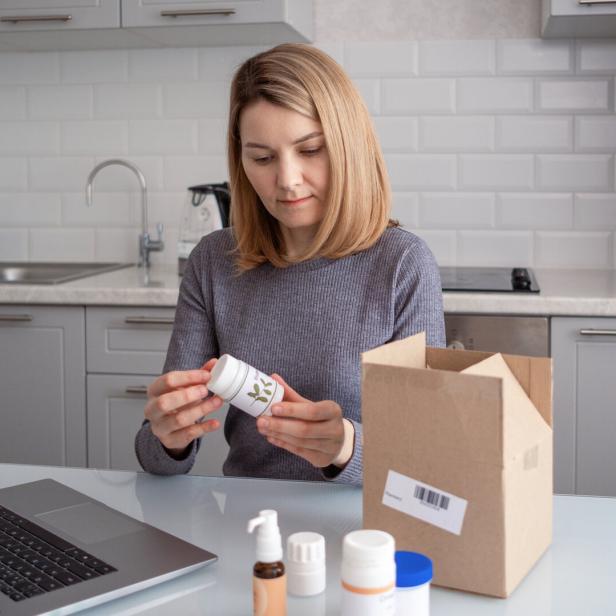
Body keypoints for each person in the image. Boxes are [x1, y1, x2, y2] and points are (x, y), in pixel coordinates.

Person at [135, 43, 445, 487]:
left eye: (311, 149)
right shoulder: (213, 263)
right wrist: (168, 438)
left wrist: (344, 446)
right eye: (262, 158)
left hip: (360, 530)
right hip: (248, 522)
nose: (288, 179)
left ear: (347, 147)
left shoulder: (403, 265)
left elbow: (427, 455)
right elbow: (157, 459)